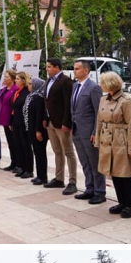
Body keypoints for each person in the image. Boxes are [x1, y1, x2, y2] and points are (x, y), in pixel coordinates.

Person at [93, 72, 131, 218]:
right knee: (114, 172)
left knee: (125, 173)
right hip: (107, 139)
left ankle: (130, 205)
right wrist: (97, 139)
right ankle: (122, 202)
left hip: (121, 139)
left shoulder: (126, 101)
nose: (100, 85)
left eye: (103, 82)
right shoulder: (103, 99)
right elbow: (99, 120)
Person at [71, 60, 105, 204]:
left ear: (86, 71)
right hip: (77, 130)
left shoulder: (93, 88)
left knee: (94, 162)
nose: (74, 71)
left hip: (89, 131)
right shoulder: (75, 86)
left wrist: (95, 132)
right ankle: (89, 188)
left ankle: (100, 191)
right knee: (84, 161)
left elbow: (98, 112)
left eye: (77, 69)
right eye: (74, 68)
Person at [43, 58, 77, 194]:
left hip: (61, 123)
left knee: (68, 151)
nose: (47, 69)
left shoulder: (65, 81)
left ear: (57, 67)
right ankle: (59, 178)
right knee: (57, 151)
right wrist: (45, 118)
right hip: (51, 122)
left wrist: (66, 122)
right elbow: (47, 101)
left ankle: (72, 181)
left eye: (49, 67)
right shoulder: (48, 81)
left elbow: (68, 104)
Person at [25, 74, 48, 185]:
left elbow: (39, 116)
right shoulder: (32, 96)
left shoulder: (39, 98)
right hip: (32, 128)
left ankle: (43, 177)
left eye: (30, 84)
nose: (28, 86)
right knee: (37, 153)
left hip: (38, 130)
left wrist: (38, 130)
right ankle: (39, 175)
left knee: (40, 153)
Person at [9, 71, 32, 178]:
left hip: (24, 123)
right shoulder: (17, 92)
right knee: (18, 145)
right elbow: (13, 108)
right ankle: (21, 167)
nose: (15, 81)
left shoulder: (27, 92)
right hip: (16, 122)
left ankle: (29, 169)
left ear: (23, 80)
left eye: (18, 79)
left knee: (25, 146)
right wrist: (11, 121)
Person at [0, 68, 19, 170]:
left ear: (12, 78)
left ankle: (18, 163)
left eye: (6, 77)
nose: (5, 79)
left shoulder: (15, 89)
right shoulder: (4, 89)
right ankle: (13, 162)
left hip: (12, 119)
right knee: (10, 142)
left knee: (15, 142)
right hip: (4, 118)